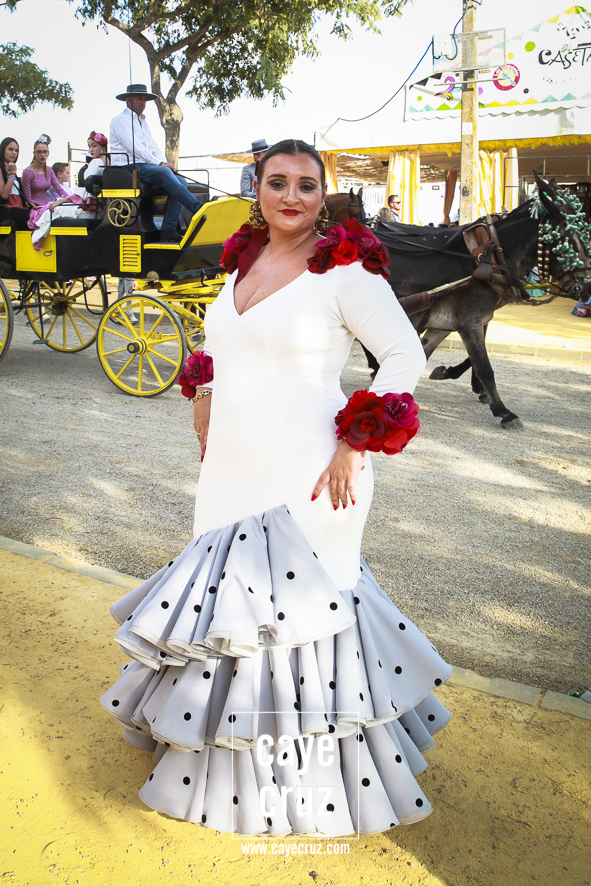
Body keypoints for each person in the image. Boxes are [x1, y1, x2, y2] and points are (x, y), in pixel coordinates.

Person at [101, 138, 451, 837]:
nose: (291, 196)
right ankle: (222, 762)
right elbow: (220, 341)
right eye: (278, 182)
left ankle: (299, 780)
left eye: (306, 185)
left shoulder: (345, 270)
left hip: (310, 470)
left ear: (323, 196)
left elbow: (402, 355)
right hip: (231, 466)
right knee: (228, 611)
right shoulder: (244, 259)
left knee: (296, 615)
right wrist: (203, 391)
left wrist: (356, 441)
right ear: (256, 189)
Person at [109, 84, 202, 242]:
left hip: (143, 167)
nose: (143, 103)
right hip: (126, 168)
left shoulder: (142, 122)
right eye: (140, 99)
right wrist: (159, 164)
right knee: (163, 172)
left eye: (145, 99)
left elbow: (152, 147)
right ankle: (197, 208)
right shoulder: (120, 121)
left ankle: (168, 230)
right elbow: (136, 148)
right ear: (128, 100)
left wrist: (165, 163)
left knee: (181, 181)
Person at [21, 135, 73, 211]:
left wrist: (68, 199)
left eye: (45, 152)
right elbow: (28, 200)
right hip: (35, 208)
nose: (42, 155)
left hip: (47, 206)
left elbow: (59, 190)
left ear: (48, 153)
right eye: (39, 152)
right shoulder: (28, 172)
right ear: (34, 153)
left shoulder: (49, 170)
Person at [0, 136, 30, 226]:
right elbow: (4, 194)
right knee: (32, 216)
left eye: (16, 151)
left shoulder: (11, 168)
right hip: (6, 209)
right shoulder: (2, 169)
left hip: (18, 207)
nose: (14, 153)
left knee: (40, 213)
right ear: (3, 150)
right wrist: (12, 174)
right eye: (10, 149)